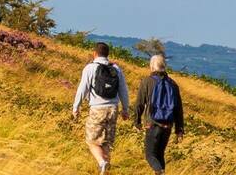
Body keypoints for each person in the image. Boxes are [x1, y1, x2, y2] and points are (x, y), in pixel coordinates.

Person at [71, 42, 129, 174]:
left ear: (95, 53)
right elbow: (123, 91)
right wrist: (125, 109)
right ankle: (106, 170)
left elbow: (82, 89)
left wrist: (76, 107)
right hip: (113, 109)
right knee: (107, 142)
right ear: (107, 54)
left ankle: (102, 163)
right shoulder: (116, 69)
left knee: (92, 140)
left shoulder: (90, 68)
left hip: (97, 109)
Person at [133, 54, 186, 174]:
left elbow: (139, 104)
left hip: (152, 124)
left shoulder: (147, 82)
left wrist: (137, 122)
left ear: (152, 66)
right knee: (160, 154)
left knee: (150, 155)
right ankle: (161, 171)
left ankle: (159, 171)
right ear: (164, 66)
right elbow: (178, 109)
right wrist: (179, 129)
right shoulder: (173, 84)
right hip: (167, 126)